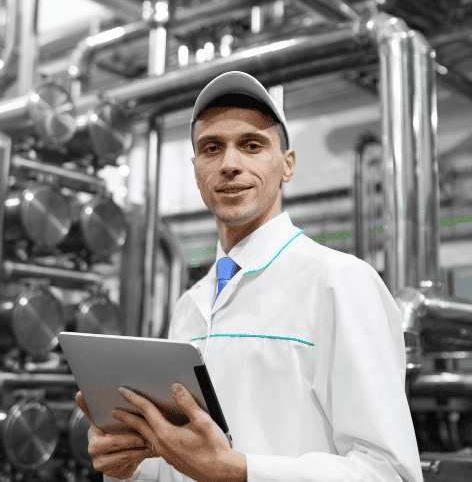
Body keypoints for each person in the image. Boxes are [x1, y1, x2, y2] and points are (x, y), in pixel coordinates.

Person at [76, 70, 423, 482]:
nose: (229, 164)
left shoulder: (340, 282)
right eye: (211, 148)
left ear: (287, 165)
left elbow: (389, 473)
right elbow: (182, 467)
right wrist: (129, 465)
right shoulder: (192, 305)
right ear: (196, 169)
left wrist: (238, 471)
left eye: (252, 145)